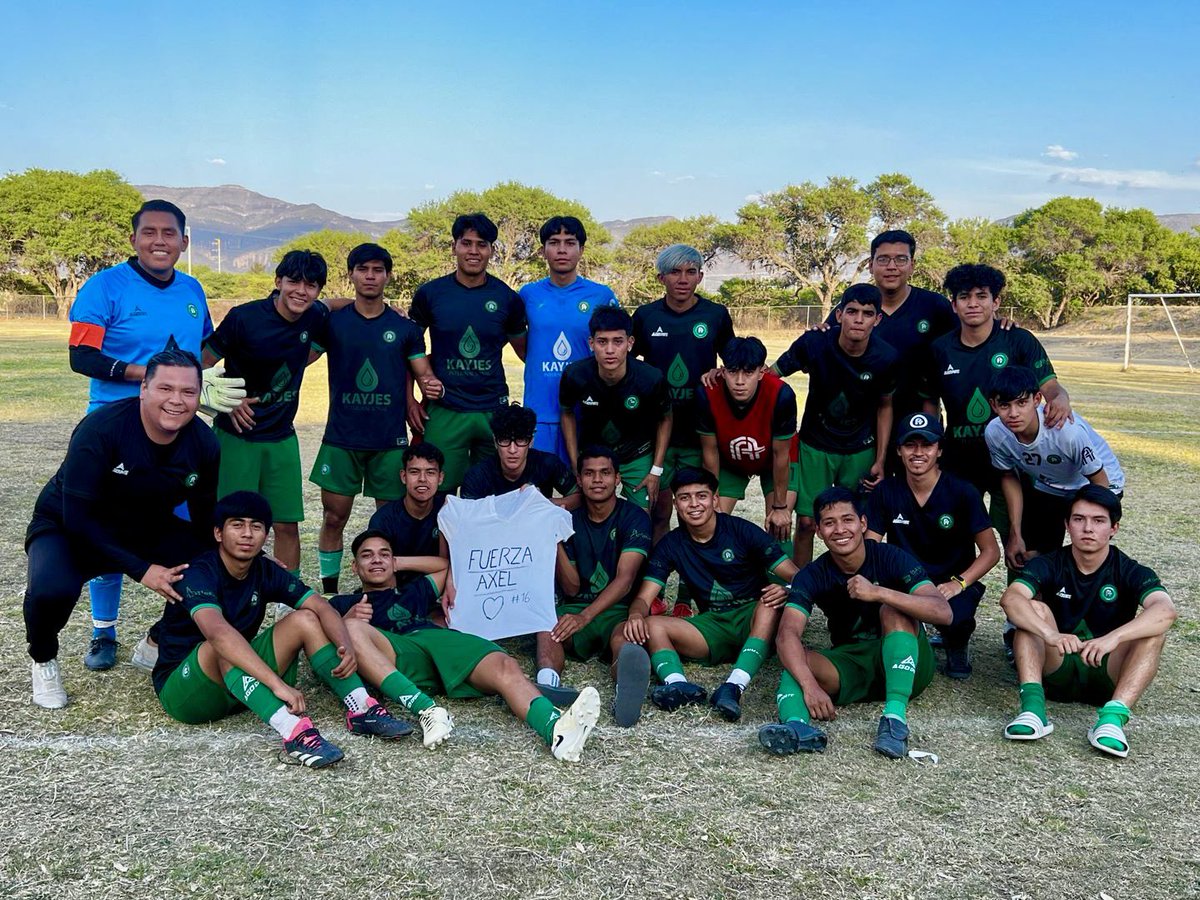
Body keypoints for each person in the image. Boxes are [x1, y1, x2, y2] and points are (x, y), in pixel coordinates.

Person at [66, 199, 243, 671]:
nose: (160, 241)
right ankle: (103, 632)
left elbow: (203, 350)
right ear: (134, 238)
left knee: (191, 535)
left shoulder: (191, 288)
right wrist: (152, 376)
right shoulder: (105, 286)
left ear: (184, 242)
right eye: (150, 232)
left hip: (180, 429)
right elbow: (81, 357)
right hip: (117, 425)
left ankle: (164, 633)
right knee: (109, 530)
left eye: (170, 234)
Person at [153, 492, 413, 769]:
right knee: (222, 644)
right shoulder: (198, 572)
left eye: (256, 526)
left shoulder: (265, 569)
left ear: (266, 535)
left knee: (306, 618)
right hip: (185, 691)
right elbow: (218, 634)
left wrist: (346, 644)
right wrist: (278, 685)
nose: (247, 534)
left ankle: (362, 708)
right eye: (237, 525)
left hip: (240, 685)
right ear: (218, 533)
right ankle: (294, 731)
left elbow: (322, 608)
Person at [25, 349, 220, 708]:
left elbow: (205, 519)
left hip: (144, 525)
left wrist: (244, 556)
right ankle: (43, 658)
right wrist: (143, 570)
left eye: (188, 392)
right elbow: (78, 520)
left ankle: (157, 643)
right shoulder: (101, 429)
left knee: (209, 566)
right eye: (165, 388)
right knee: (50, 591)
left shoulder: (204, 443)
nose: (176, 400)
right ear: (143, 389)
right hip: (68, 525)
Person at [333, 530, 602, 762]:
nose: (376, 559)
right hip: (395, 652)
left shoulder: (412, 592)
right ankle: (427, 709)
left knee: (505, 666)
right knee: (354, 629)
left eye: (384, 553)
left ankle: (555, 731)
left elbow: (446, 566)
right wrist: (344, 622)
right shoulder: (343, 603)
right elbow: (316, 636)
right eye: (367, 555)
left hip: (434, 639)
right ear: (354, 567)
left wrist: (396, 563)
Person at [759, 487, 951, 759]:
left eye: (847, 520)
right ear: (819, 532)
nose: (840, 529)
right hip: (854, 664)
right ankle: (797, 729)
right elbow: (786, 635)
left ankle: (894, 721)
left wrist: (880, 592)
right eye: (829, 523)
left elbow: (943, 612)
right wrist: (810, 687)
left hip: (909, 662)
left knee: (892, 610)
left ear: (863, 523)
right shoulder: (813, 574)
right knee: (797, 663)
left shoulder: (890, 557)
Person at [1000, 486, 1176, 758]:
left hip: (1106, 669)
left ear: (1114, 528)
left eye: (1098, 521)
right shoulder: (1049, 563)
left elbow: (1165, 611)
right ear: (1067, 525)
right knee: (1032, 610)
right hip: (1058, 661)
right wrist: (1050, 634)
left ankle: (1112, 721)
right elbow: (1011, 599)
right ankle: (1033, 711)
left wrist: (1113, 638)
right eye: (1079, 519)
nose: (1088, 528)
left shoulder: (1129, 569)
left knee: (1153, 632)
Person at [623, 468, 800, 723]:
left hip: (753, 618)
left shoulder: (741, 531)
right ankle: (678, 685)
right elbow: (644, 597)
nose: (694, 504)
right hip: (713, 625)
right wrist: (635, 614)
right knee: (652, 624)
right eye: (685, 498)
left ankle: (733, 687)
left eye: (701, 496)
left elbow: (796, 576)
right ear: (676, 504)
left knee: (769, 604)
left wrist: (787, 590)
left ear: (715, 499)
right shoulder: (671, 543)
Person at [309, 243, 430, 594]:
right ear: (352, 275)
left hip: (388, 441)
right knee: (334, 517)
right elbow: (302, 359)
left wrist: (429, 387)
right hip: (341, 438)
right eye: (363, 269)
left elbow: (423, 372)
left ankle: (393, 588)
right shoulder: (334, 323)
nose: (371, 276)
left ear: (388, 276)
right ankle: (330, 590)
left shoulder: (404, 328)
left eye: (378, 270)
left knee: (391, 522)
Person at [201, 250, 331, 576]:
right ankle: (227, 589)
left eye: (311, 285)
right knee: (229, 523)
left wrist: (389, 307)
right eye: (293, 282)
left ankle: (288, 600)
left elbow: (337, 304)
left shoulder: (314, 315)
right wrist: (225, 402)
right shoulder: (243, 318)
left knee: (286, 525)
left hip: (282, 437)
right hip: (236, 437)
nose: (301, 291)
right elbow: (199, 366)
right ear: (278, 282)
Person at [921, 264, 1072, 523]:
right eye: (964, 297)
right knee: (955, 537)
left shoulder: (1018, 340)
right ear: (954, 304)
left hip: (1015, 457)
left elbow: (1050, 387)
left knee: (1020, 537)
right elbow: (929, 403)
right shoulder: (939, 349)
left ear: (996, 302)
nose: (973, 304)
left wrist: (1060, 398)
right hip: (960, 459)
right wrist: (932, 444)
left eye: (981, 296)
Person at [866, 413, 1001, 679]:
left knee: (956, 617)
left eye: (926, 445)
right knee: (877, 607)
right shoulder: (886, 491)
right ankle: (909, 635)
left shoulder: (962, 491)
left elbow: (991, 551)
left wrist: (958, 583)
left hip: (951, 581)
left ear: (939, 450)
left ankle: (957, 643)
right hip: (906, 578)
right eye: (910, 445)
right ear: (898, 450)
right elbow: (871, 544)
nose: (918, 453)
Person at [772, 284, 899, 566]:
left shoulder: (886, 357)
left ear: (877, 320)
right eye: (851, 311)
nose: (858, 319)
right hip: (815, 444)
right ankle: (800, 588)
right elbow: (771, 377)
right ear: (839, 314)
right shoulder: (814, 343)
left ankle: (856, 587)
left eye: (867, 314)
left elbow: (885, 406)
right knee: (806, 522)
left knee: (856, 526)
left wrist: (880, 458)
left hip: (860, 448)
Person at [409, 213, 528, 491]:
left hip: (492, 410)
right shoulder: (431, 293)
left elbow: (527, 354)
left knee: (492, 499)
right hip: (446, 409)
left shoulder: (507, 298)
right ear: (454, 247)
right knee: (439, 496)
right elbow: (410, 349)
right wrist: (410, 400)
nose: (473, 251)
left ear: (492, 250)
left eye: (482, 244)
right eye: (466, 243)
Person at [631, 244, 735, 542]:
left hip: (700, 433)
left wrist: (720, 372)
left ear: (700, 277)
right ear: (661, 277)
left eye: (691, 272)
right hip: (655, 434)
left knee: (696, 514)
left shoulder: (715, 315)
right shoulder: (645, 316)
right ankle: (654, 582)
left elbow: (735, 365)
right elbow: (627, 365)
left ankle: (694, 584)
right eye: (675, 272)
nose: (683, 279)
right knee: (659, 512)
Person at [547, 446, 654, 726]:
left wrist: (585, 617)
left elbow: (625, 579)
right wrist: (555, 540)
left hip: (618, 607)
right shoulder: (567, 519)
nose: (597, 480)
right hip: (575, 605)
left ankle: (624, 692)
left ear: (617, 478)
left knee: (624, 639)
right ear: (579, 480)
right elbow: (570, 588)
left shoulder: (635, 517)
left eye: (605, 473)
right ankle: (548, 683)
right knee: (548, 627)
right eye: (589, 474)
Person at [986, 366, 1125, 569]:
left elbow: (1099, 480)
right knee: (1034, 555)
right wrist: (1016, 532)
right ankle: (1038, 598)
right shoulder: (995, 433)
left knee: (1085, 551)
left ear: (1037, 399)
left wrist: (1090, 520)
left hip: (1098, 483)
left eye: (1022, 403)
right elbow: (1009, 477)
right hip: (1051, 485)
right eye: (1005, 405)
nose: (1013, 413)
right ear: (993, 405)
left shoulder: (1065, 432)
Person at [825, 230, 956, 425]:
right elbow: (821, 347)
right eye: (883, 259)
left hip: (917, 427)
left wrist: (1004, 329)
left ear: (912, 265)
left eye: (901, 260)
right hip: (860, 428)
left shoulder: (935, 306)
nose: (892, 267)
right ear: (870, 265)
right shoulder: (853, 309)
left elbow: (972, 340)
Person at [520, 216, 620, 465]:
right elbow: (520, 345)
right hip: (539, 413)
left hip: (585, 412)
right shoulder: (528, 294)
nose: (562, 249)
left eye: (570, 242)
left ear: (581, 250)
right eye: (554, 242)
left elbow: (617, 349)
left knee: (584, 490)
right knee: (536, 494)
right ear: (543, 250)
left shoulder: (601, 295)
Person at [559, 306, 672, 511]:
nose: (610, 350)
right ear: (591, 344)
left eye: (617, 341)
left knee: (642, 519)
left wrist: (655, 470)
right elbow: (567, 413)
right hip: (594, 456)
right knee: (590, 516)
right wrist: (576, 461)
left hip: (637, 454)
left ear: (630, 343)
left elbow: (665, 419)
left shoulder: (650, 378)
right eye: (602, 342)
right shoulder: (575, 375)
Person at [697, 336, 797, 544]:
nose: (740, 381)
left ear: (762, 372)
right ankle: (717, 573)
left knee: (778, 527)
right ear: (723, 371)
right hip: (729, 461)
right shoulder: (708, 393)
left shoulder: (781, 394)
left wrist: (780, 506)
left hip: (773, 462)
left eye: (748, 372)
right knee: (710, 521)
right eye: (733, 371)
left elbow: (781, 455)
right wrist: (712, 496)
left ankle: (780, 577)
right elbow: (710, 452)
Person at [460, 403, 579, 508]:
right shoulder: (477, 476)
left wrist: (544, 504)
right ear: (495, 441)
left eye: (521, 440)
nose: (512, 450)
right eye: (505, 440)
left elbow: (578, 496)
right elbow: (467, 516)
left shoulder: (548, 463)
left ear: (531, 440)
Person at [368, 443, 451, 585]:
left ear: (440, 477)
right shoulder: (384, 519)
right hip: (394, 590)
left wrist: (397, 562)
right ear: (403, 476)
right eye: (414, 472)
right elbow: (377, 568)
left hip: (435, 587)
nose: (422, 479)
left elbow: (450, 565)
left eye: (430, 472)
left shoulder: (447, 511)